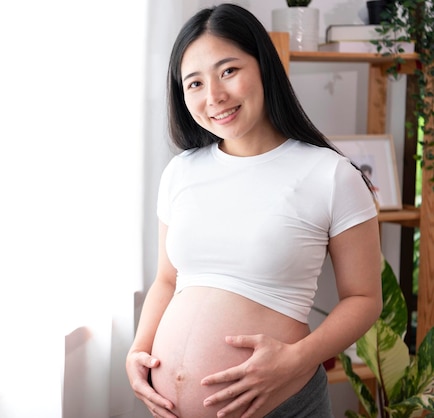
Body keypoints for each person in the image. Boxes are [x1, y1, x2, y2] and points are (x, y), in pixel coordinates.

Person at [125, 4, 382, 418]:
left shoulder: (330, 175)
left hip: (281, 405)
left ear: (264, 66)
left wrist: (296, 359)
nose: (214, 96)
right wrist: (138, 350)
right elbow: (168, 280)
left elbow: (365, 298)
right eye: (194, 83)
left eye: (228, 71)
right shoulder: (180, 172)